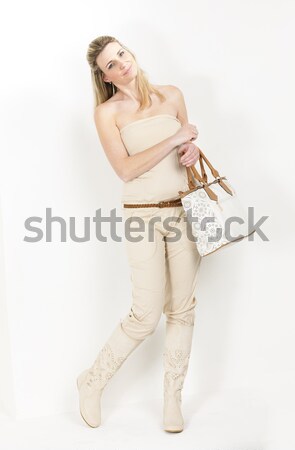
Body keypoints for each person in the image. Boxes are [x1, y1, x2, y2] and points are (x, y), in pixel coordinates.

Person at [76, 35, 202, 433]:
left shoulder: (172, 95)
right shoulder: (107, 113)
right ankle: (92, 381)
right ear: (105, 76)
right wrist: (175, 139)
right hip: (141, 216)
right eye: (110, 65)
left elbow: (187, 153)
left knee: (182, 309)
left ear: (131, 53)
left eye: (122, 55)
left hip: (183, 211)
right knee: (145, 315)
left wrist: (192, 150)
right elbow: (126, 170)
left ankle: (172, 400)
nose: (121, 65)